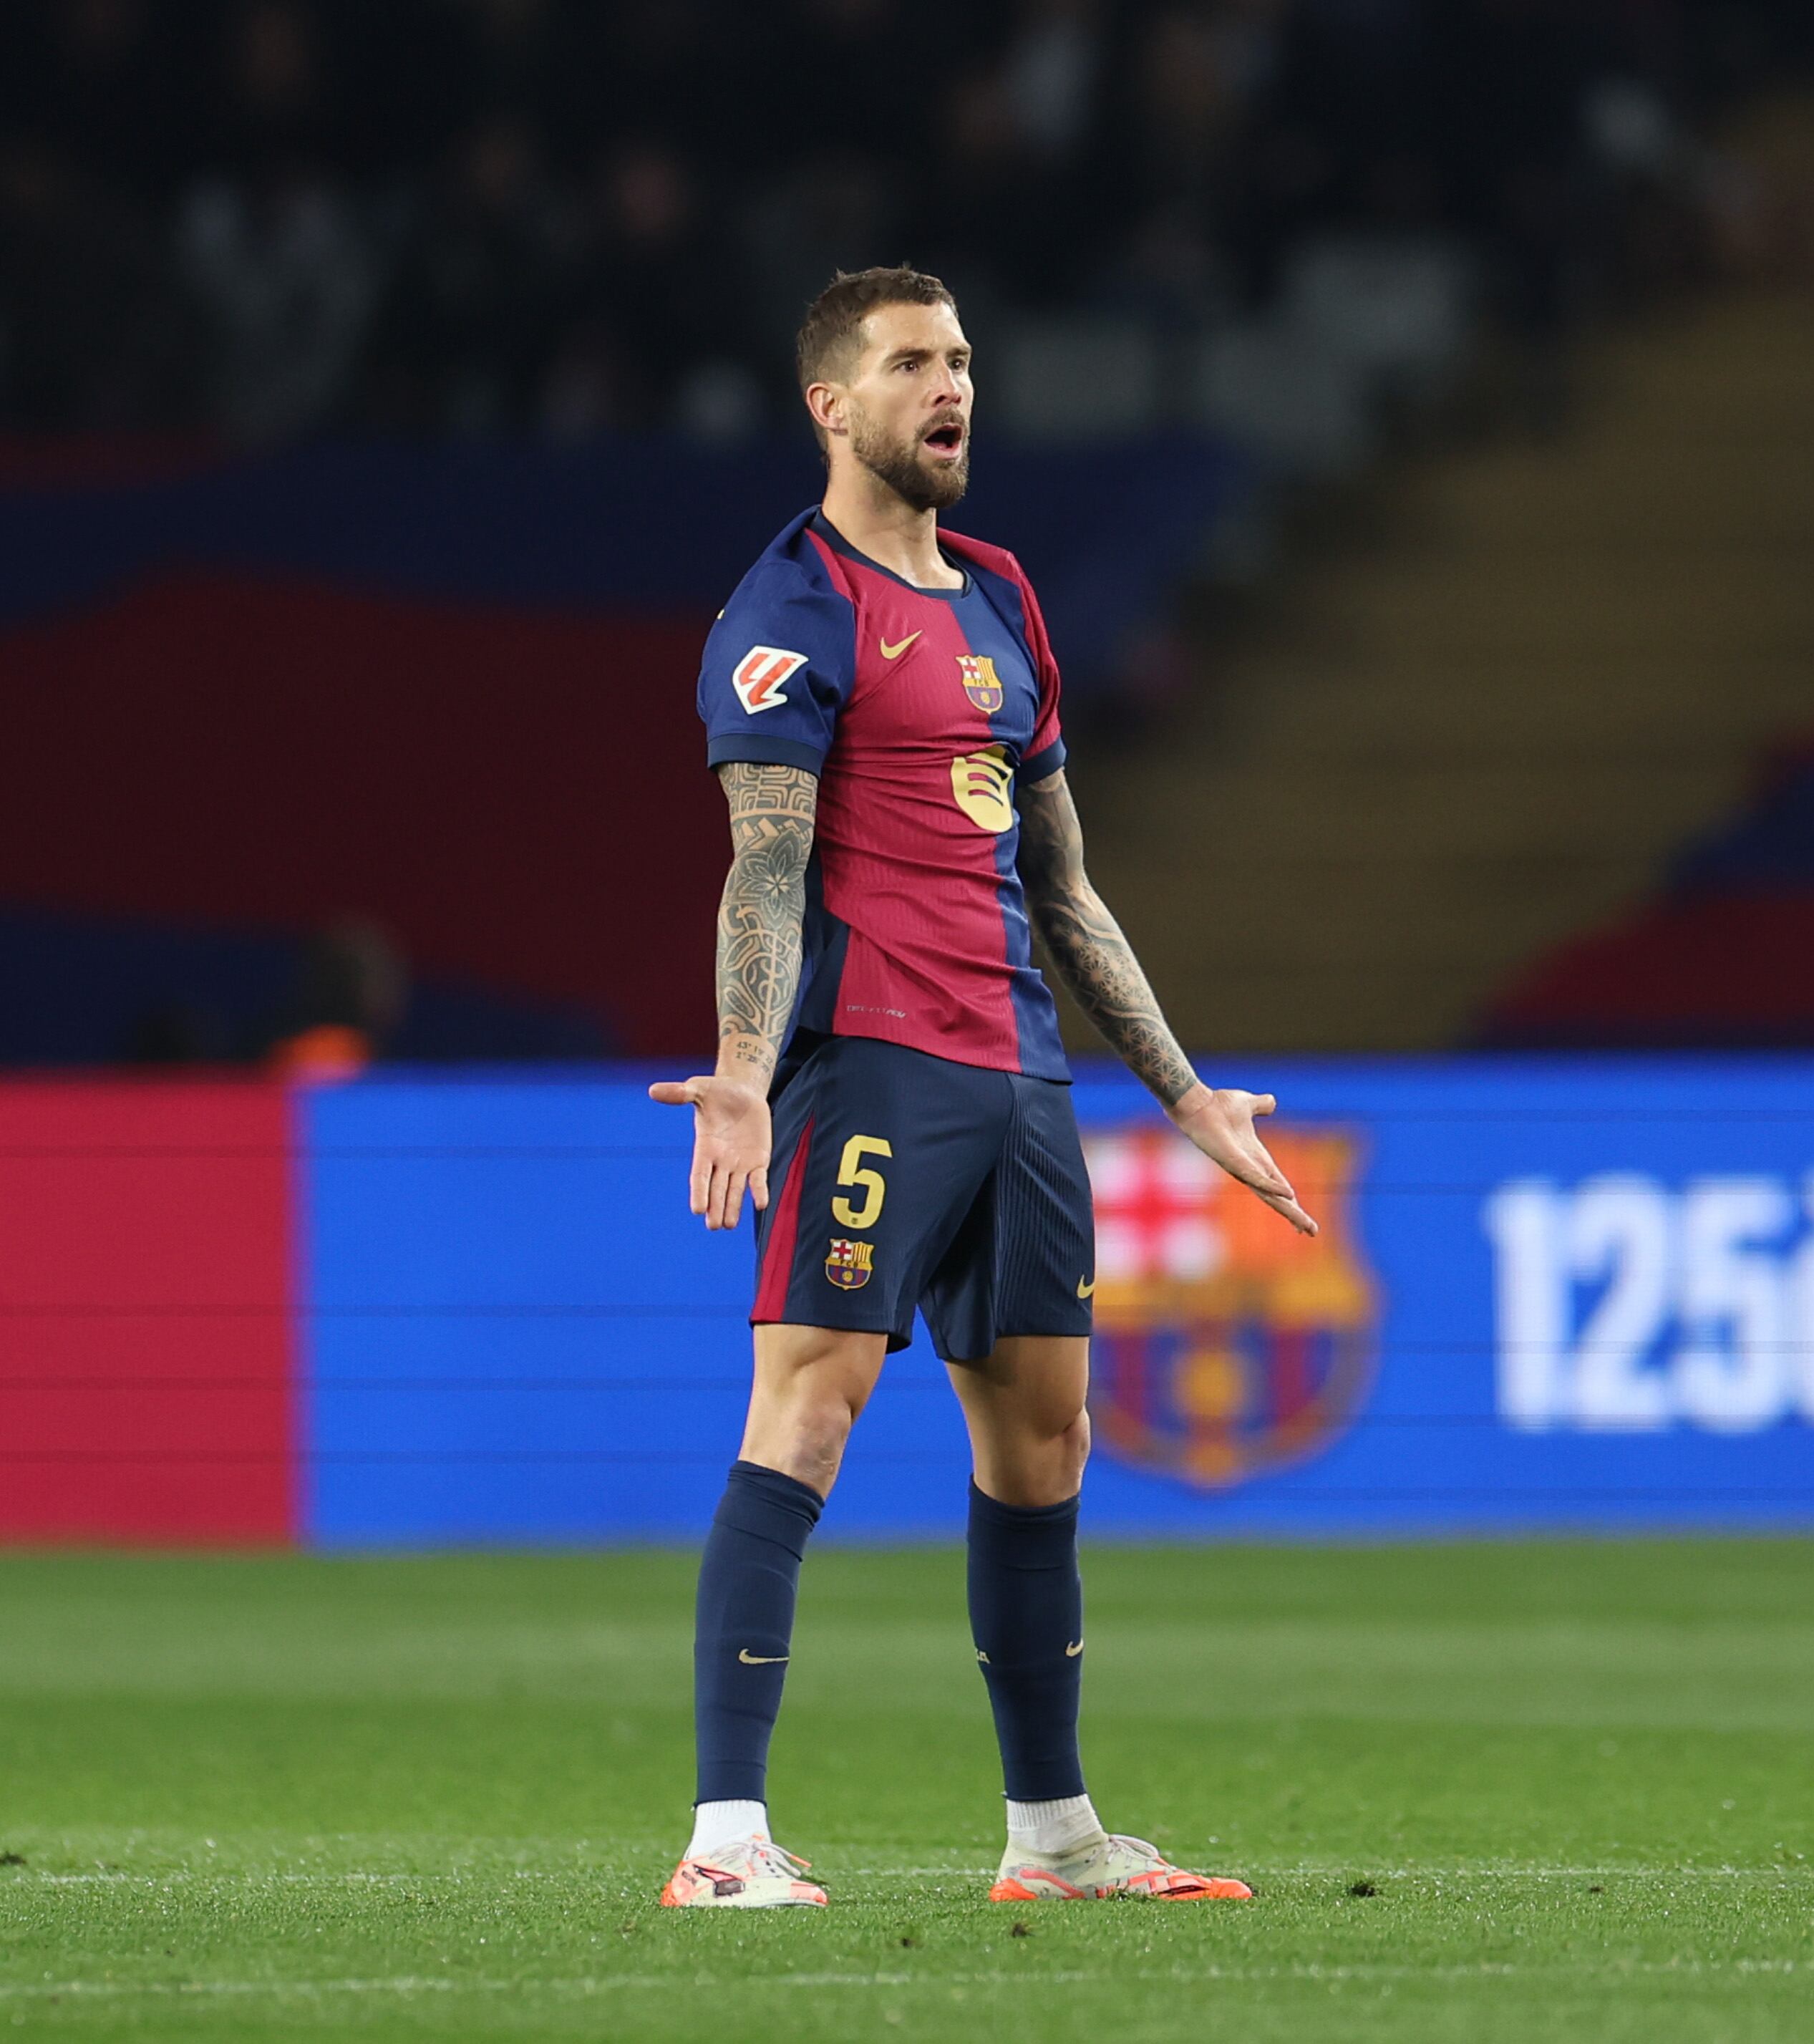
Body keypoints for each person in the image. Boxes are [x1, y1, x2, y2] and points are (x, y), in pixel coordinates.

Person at [650, 265, 1312, 1910]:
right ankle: (723, 1840)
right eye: (910, 366)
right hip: (871, 1065)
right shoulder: (790, 607)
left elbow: (1067, 890)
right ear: (832, 405)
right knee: (809, 1412)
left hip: (1019, 1076)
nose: (950, 389)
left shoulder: (1004, 598)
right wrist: (744, 1073)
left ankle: (1055, 1838)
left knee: (1048, 1440)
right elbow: (764, 869)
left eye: (960, 361)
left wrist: (1182, 1096)